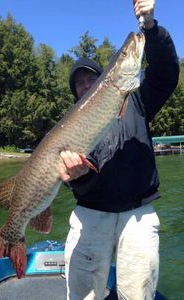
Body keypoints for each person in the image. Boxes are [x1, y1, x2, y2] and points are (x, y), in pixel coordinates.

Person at [58, 0, 179, 299]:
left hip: (137, 214)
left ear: (104, 80)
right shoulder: (75, 127)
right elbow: (82, 188)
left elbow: (165, 71)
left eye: (91, 79)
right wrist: (79, 177)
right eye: (80, 84)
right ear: (76, 94)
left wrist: (150, 28)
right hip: (91, 214)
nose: (86, 85)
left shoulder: (138, 100)